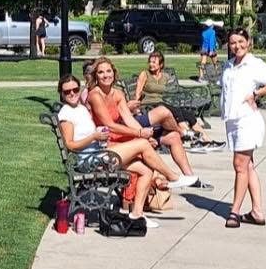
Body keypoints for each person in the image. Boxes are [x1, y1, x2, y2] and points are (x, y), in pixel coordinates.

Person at [58, 73, 168, 224]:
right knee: (142, 144)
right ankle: (173, 177)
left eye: (75, 90)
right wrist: (94, 137)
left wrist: (100, 136)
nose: (72, 93)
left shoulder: (80, 108)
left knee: (146, 171)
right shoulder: (66, 113)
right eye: (67, 92)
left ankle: (137, 214)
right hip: (89, 161)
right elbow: (70, 145)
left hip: (99, 154)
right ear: (61, 94)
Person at [86, 57, 200, 189]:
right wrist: (139, 133)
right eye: (101, 72)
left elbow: (128, 119)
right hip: (105, 142)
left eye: (108, 71)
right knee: (144, 145)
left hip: (119, 137)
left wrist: (146, 135)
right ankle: (169, 178)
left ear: (114, 72)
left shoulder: (117, 93)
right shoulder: (95, 95)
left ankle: (178, 179)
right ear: (95, 76)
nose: (106, 75)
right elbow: (109, 125)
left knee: (168, 138)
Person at [220, 27, 266, 228]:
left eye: (241, 42)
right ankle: (257, 211)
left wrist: (257, 94)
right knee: (247, 166)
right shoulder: (228, 66)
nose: (237, 46)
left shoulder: (254, 64)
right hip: (232, 122)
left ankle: (234, 212)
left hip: (247, 121)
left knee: (239, 166)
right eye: (233, 43)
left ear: (248, 42)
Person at [131, 49, 225, 150]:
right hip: (149, 106)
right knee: (175, 110)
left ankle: (207, 140)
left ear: (161, 64)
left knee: (187, 114)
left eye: (154, 62)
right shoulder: (145, 74)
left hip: (161, 104)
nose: (151, 64)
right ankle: (190, 137)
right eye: (150, 62)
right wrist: (137, 110)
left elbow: (171, 92)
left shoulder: (165, 76)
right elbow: (138, 92)